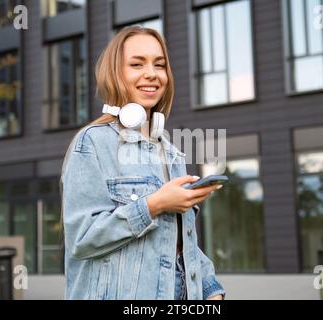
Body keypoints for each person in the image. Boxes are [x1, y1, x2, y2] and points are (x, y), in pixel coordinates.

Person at [60, 26, 226, 300]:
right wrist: (154, 204)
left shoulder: (171, 153)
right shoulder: (92, 143)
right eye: (137, 64)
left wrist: (211, 289)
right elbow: (82, 239)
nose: (152, 73)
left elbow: (180, 243)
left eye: (159, 65)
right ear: (116, 73)